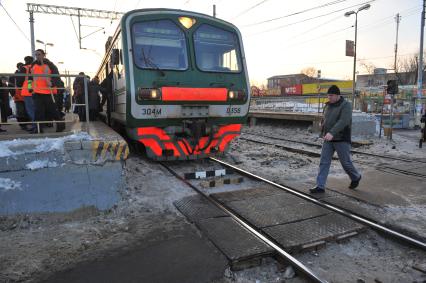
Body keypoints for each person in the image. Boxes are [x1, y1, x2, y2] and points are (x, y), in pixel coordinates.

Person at [310, 85, 362, 193]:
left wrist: (332, 132)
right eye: (328, 95)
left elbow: (343, 121)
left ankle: (355, 177)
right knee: (324, 162)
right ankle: (320, 186)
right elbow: (326, 118)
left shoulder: (346, 105)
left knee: (345, 163)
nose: (329, 97)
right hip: (328, 138)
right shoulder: (328, 105)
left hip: (341, 138)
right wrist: (323, 125)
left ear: (338, 95)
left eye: (331, 95)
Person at [29, 49, 65, 133]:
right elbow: (30, 78)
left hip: (49, 92)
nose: (37, 56)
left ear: (43, 55)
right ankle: (38, 129)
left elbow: (57, 77)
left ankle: (60, 126)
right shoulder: (33, 65)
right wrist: (30, 87)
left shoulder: (50, 65)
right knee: (38, 111)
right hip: (37, 92)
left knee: (53, 110)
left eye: (39, 54)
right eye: (36, 55)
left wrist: (52, 83)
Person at [9, 62, 30, 130]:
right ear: (17, 67)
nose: (21, 67)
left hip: (26, 95)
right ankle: (23, 125)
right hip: (18, 96)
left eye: (22, 66)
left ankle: (26, 123)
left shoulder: (26, 74)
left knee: (26, 111)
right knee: (20, 111)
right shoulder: (13, 77)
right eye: (20, 66)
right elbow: (10, 86)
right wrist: (13, 94)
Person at [21, 56, 36, 132]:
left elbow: (20, 80)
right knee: (35, 110)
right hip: (36, 90)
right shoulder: (35, 67)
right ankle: (38, 125)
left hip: (28, 91)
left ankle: (35, 126)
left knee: (30, 110)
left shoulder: (24, 68)